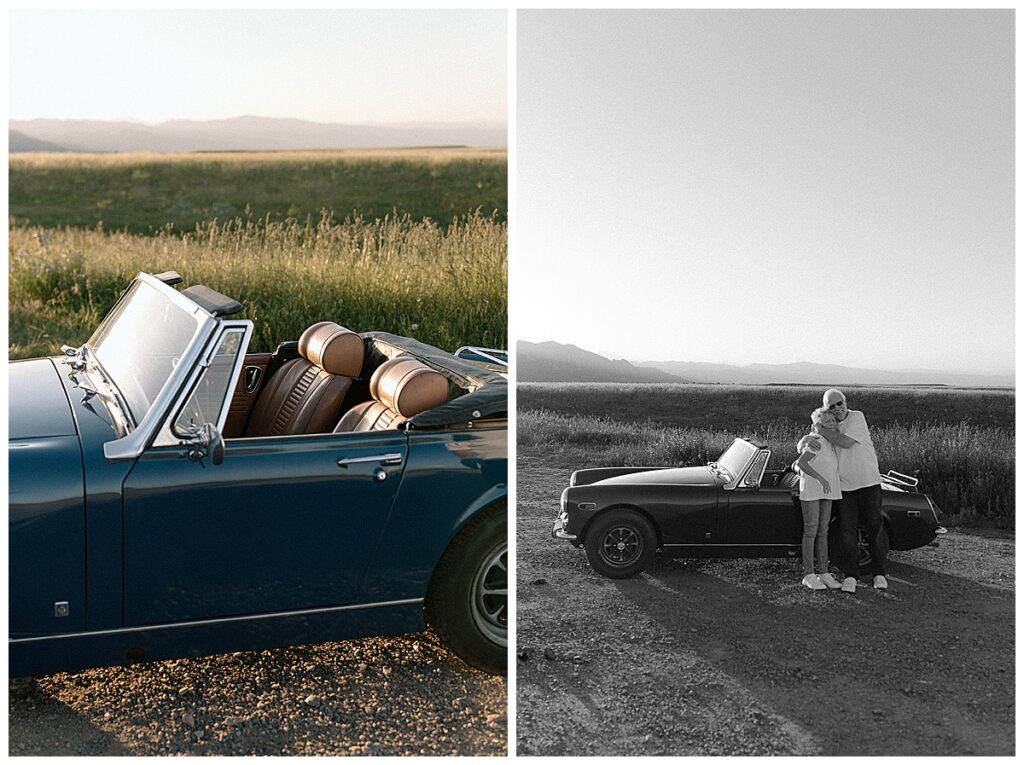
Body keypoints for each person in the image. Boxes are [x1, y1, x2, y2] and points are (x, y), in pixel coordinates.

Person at [814, 388, 887, 592]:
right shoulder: (829, 426)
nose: (837, 408)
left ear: (845, 402)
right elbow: (812, 446)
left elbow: (846, 442)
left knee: (875, 528)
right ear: (826, 410)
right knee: (847, 531)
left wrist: (821, 430)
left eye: (839, 403)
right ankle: (851, 576)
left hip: (869, 482)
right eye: (832, 406)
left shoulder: (856, 417)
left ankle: (879, 573)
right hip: (845, 487)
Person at [794, 407, 842, 590]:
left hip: (828, 492)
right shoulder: (818, 440)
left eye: (833, 421)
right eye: (826, 422)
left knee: (823, 532)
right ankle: (809, 574)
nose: (831, 424)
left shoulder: (833, 442)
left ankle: (823, 573)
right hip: (812, 491)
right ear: (818, 425)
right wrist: (821, 479)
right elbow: (801, 463)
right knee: (811, 531)